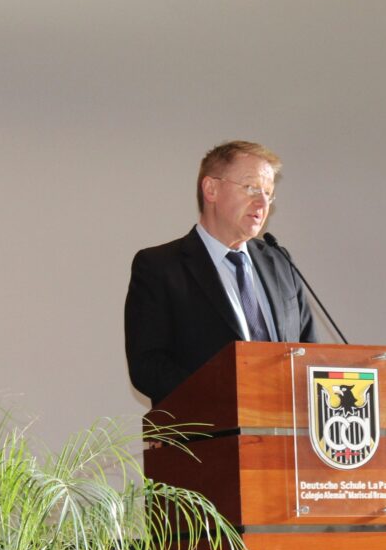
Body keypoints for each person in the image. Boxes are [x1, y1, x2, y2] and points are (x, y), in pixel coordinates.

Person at [124, 140, 317, 403]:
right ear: (211, 189)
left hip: (283, 435)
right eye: (251, 188)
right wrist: (227, 399)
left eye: (268, 193)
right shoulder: (160, 267)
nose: (262, 204)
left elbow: (311, 353)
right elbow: (148, 367)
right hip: (208, 437)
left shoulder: (280, 262)